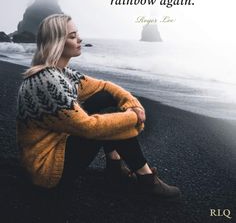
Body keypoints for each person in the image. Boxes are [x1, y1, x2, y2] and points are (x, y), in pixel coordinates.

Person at [16, 14, 181, 201]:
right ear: (56, 43)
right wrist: (133, 118)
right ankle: (146, 178)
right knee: (111, 116)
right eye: (72, 36)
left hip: (57, 147)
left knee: (103, 98)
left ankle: (115, 166)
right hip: (46, 172)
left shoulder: (62, 73)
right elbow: (87, 127)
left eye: (77, 34)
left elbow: (104, 86)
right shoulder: (47, 81)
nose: (79, 39)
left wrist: (133, 105)